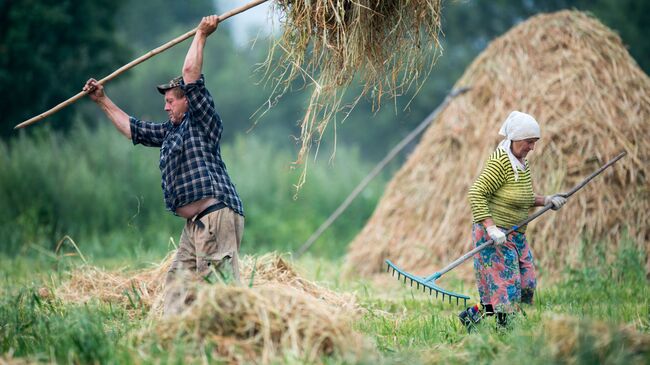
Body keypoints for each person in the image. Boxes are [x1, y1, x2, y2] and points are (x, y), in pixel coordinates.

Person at [83, 15, 244, 316]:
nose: (166, 106)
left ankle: (231, 342)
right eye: (166, 101)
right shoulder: (171, 131)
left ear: (187, 102)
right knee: (177, 283)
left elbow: (190, 72)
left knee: (220, 291)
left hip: (215, 216)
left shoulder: (202, 120)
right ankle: (173, 339)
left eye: (171, 100)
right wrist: (102, 101)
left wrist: (201, 34)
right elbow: (134, 130)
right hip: (194, 226)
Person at [462, 111, 566, 330]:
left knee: (526, 282)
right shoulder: (500, 162)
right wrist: (491, 228)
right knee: (506, 286)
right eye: (529, 142)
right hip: (495, 235)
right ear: (516, 139)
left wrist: (547, 200)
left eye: (534, 142)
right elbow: (476, 193)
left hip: (515, 234)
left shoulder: (521, 162)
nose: (532, 148)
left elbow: (522, 197)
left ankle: (473, 316)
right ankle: (506, 332)